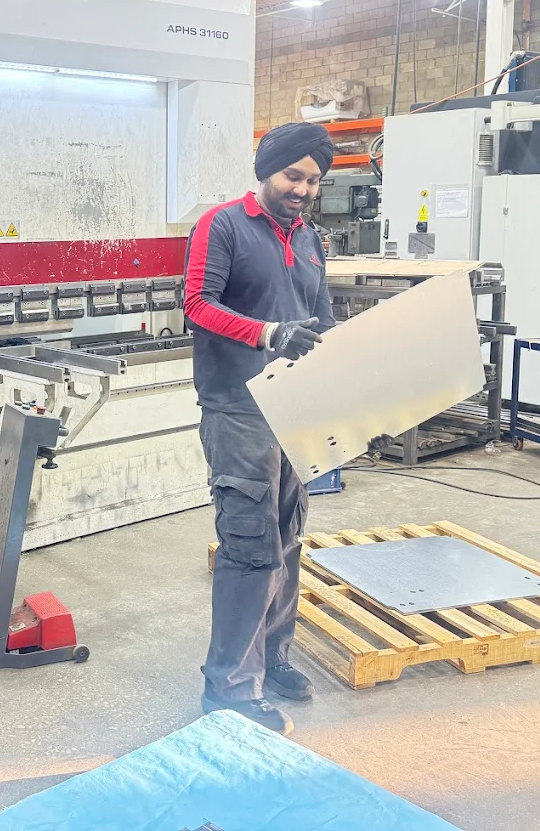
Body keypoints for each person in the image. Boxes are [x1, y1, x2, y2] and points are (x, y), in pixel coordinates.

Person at [182, 121, 337, 737]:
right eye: (291, 176)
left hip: (295, 404)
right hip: (239, 405)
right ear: (265, 172)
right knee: (250, 547)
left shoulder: (310, 238)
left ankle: (272, 661)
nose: (301, 189)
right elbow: (196, 302)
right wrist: (269, 334)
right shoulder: (221, 225)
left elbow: (320, 315)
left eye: (312, 181)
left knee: (288, 536)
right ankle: (227, 691)